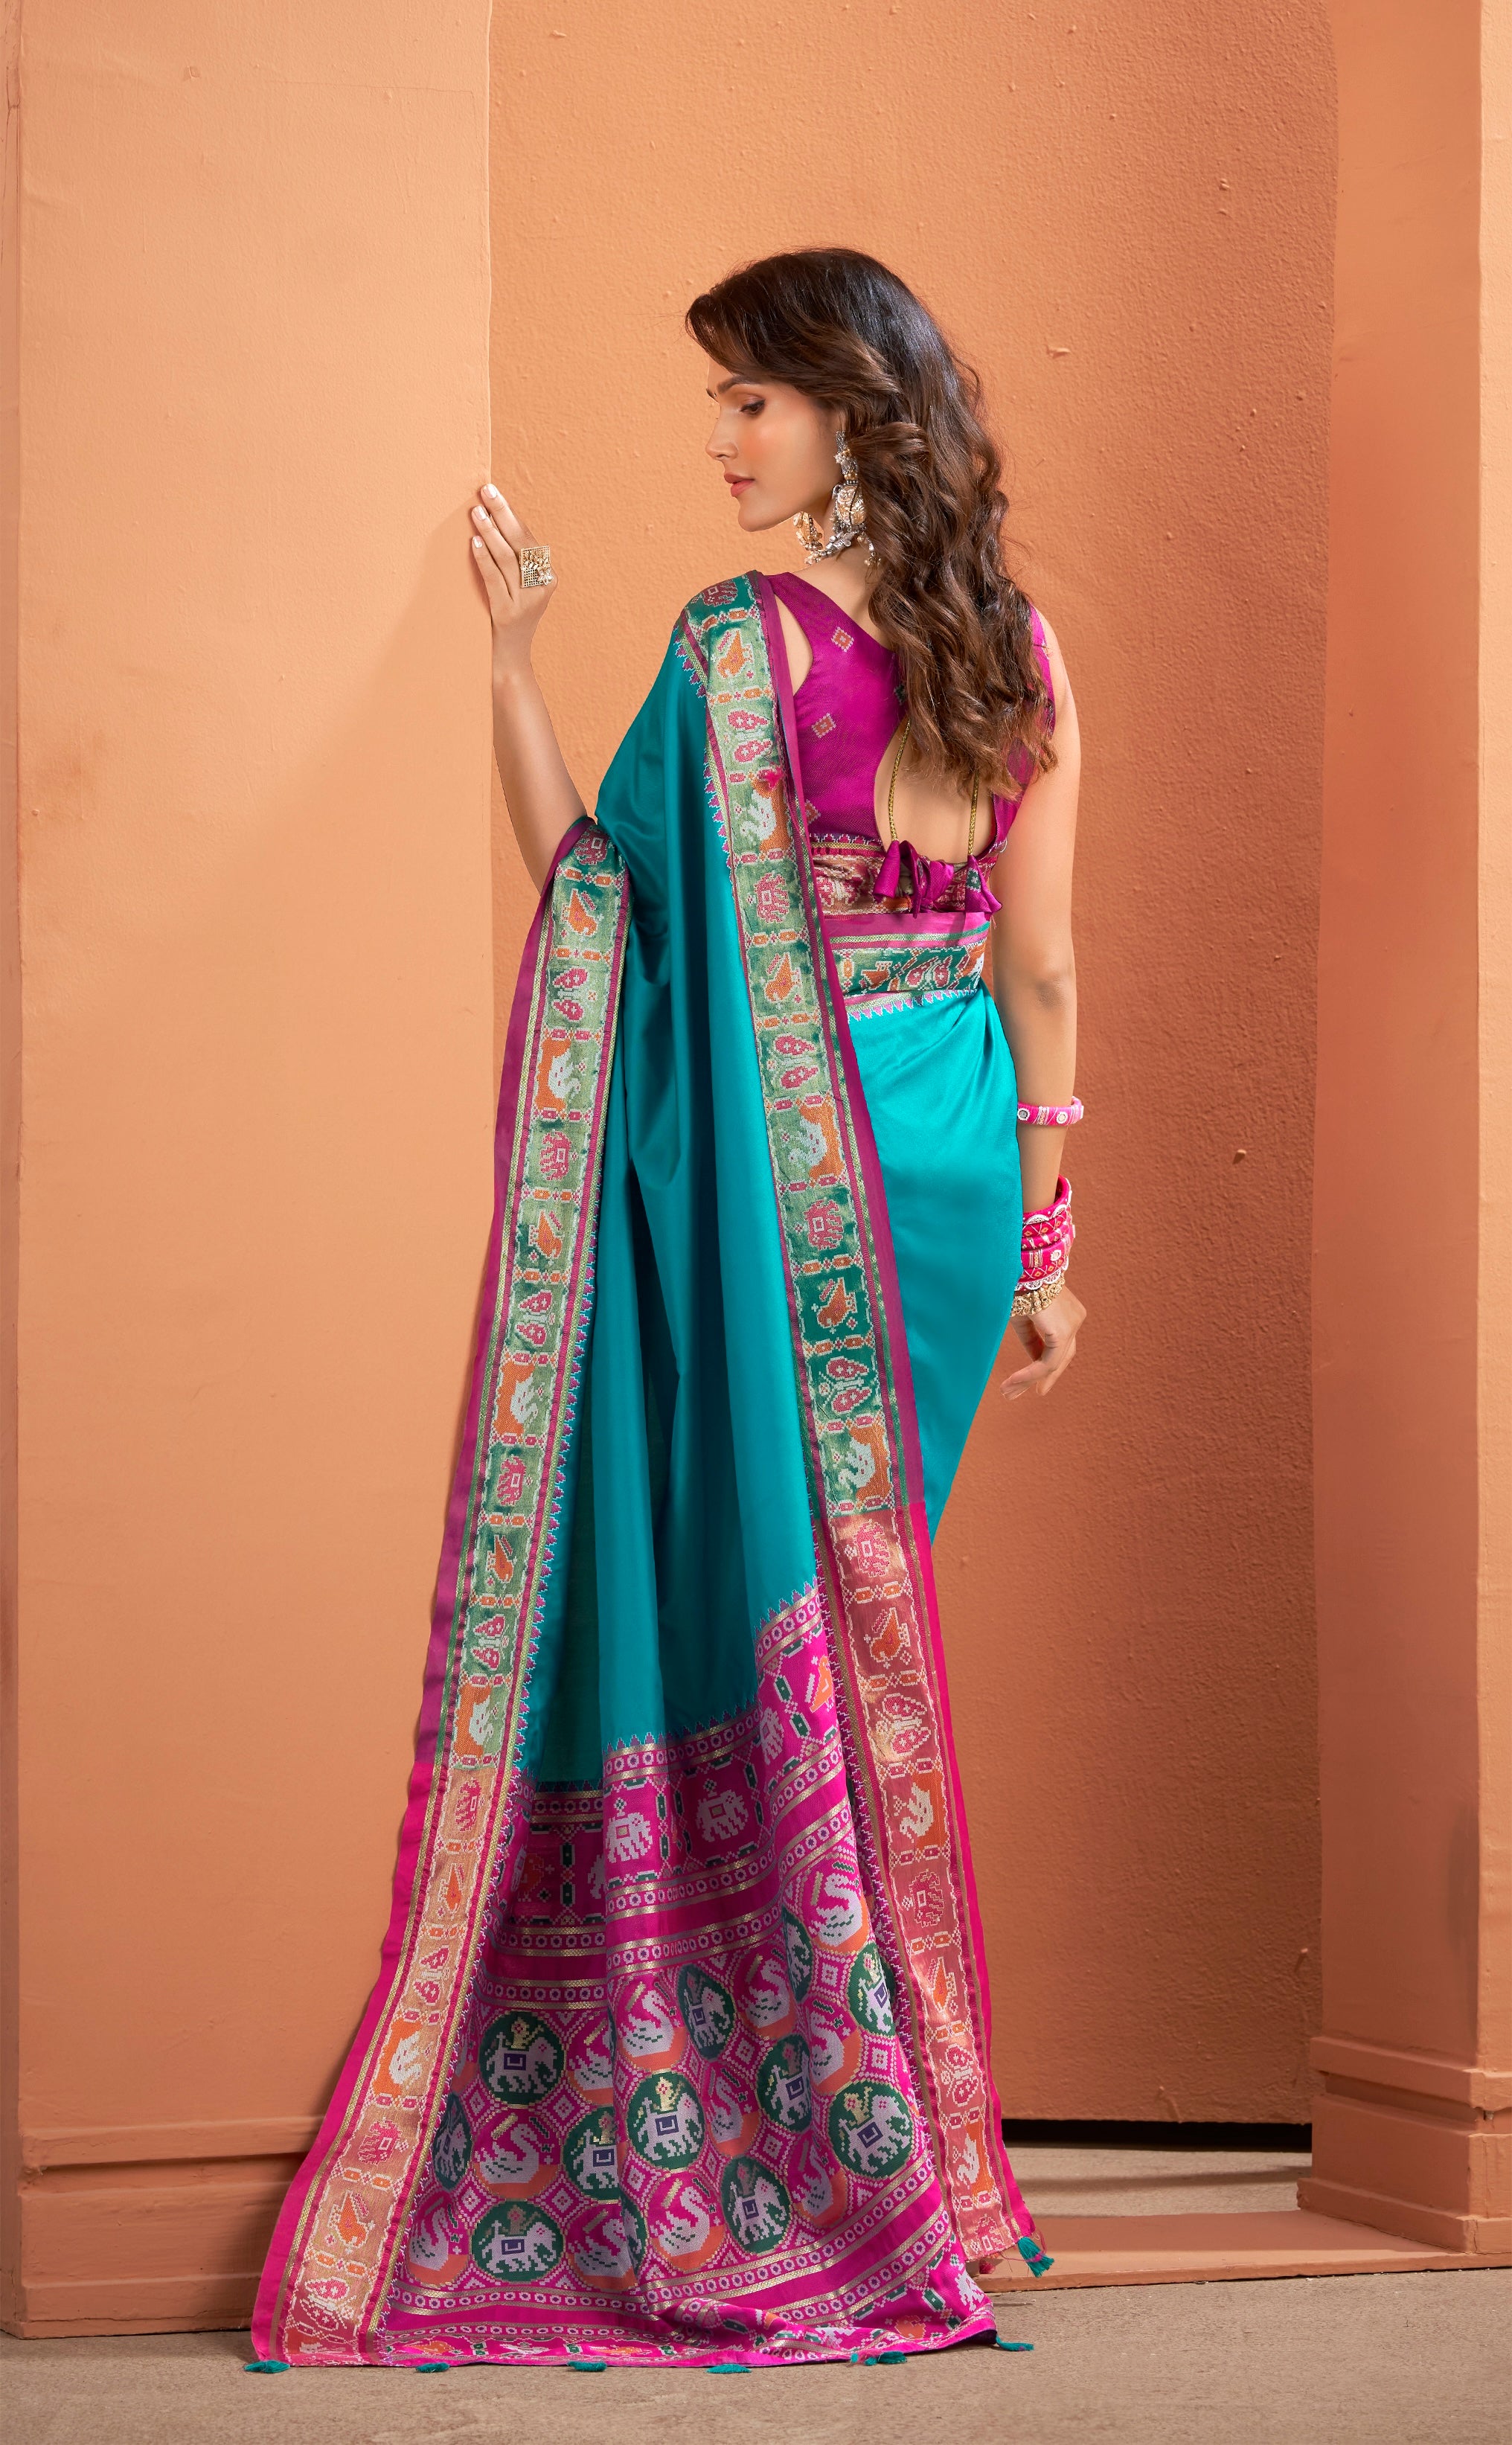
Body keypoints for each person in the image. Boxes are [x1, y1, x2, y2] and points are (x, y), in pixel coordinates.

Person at [254, 249, 1083, 2374]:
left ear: (845, 410)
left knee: (772, 1620)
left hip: (784, 1181)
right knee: (863, 1639)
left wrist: (514, 669)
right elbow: (1044, 979)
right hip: (963, 1162)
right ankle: (906, 2140)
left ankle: (820, 2145)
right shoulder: (1021, 648)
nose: (721, 445)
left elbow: (593, 899)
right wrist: (1056, 1246)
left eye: (751, 404)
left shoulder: (741, 658)